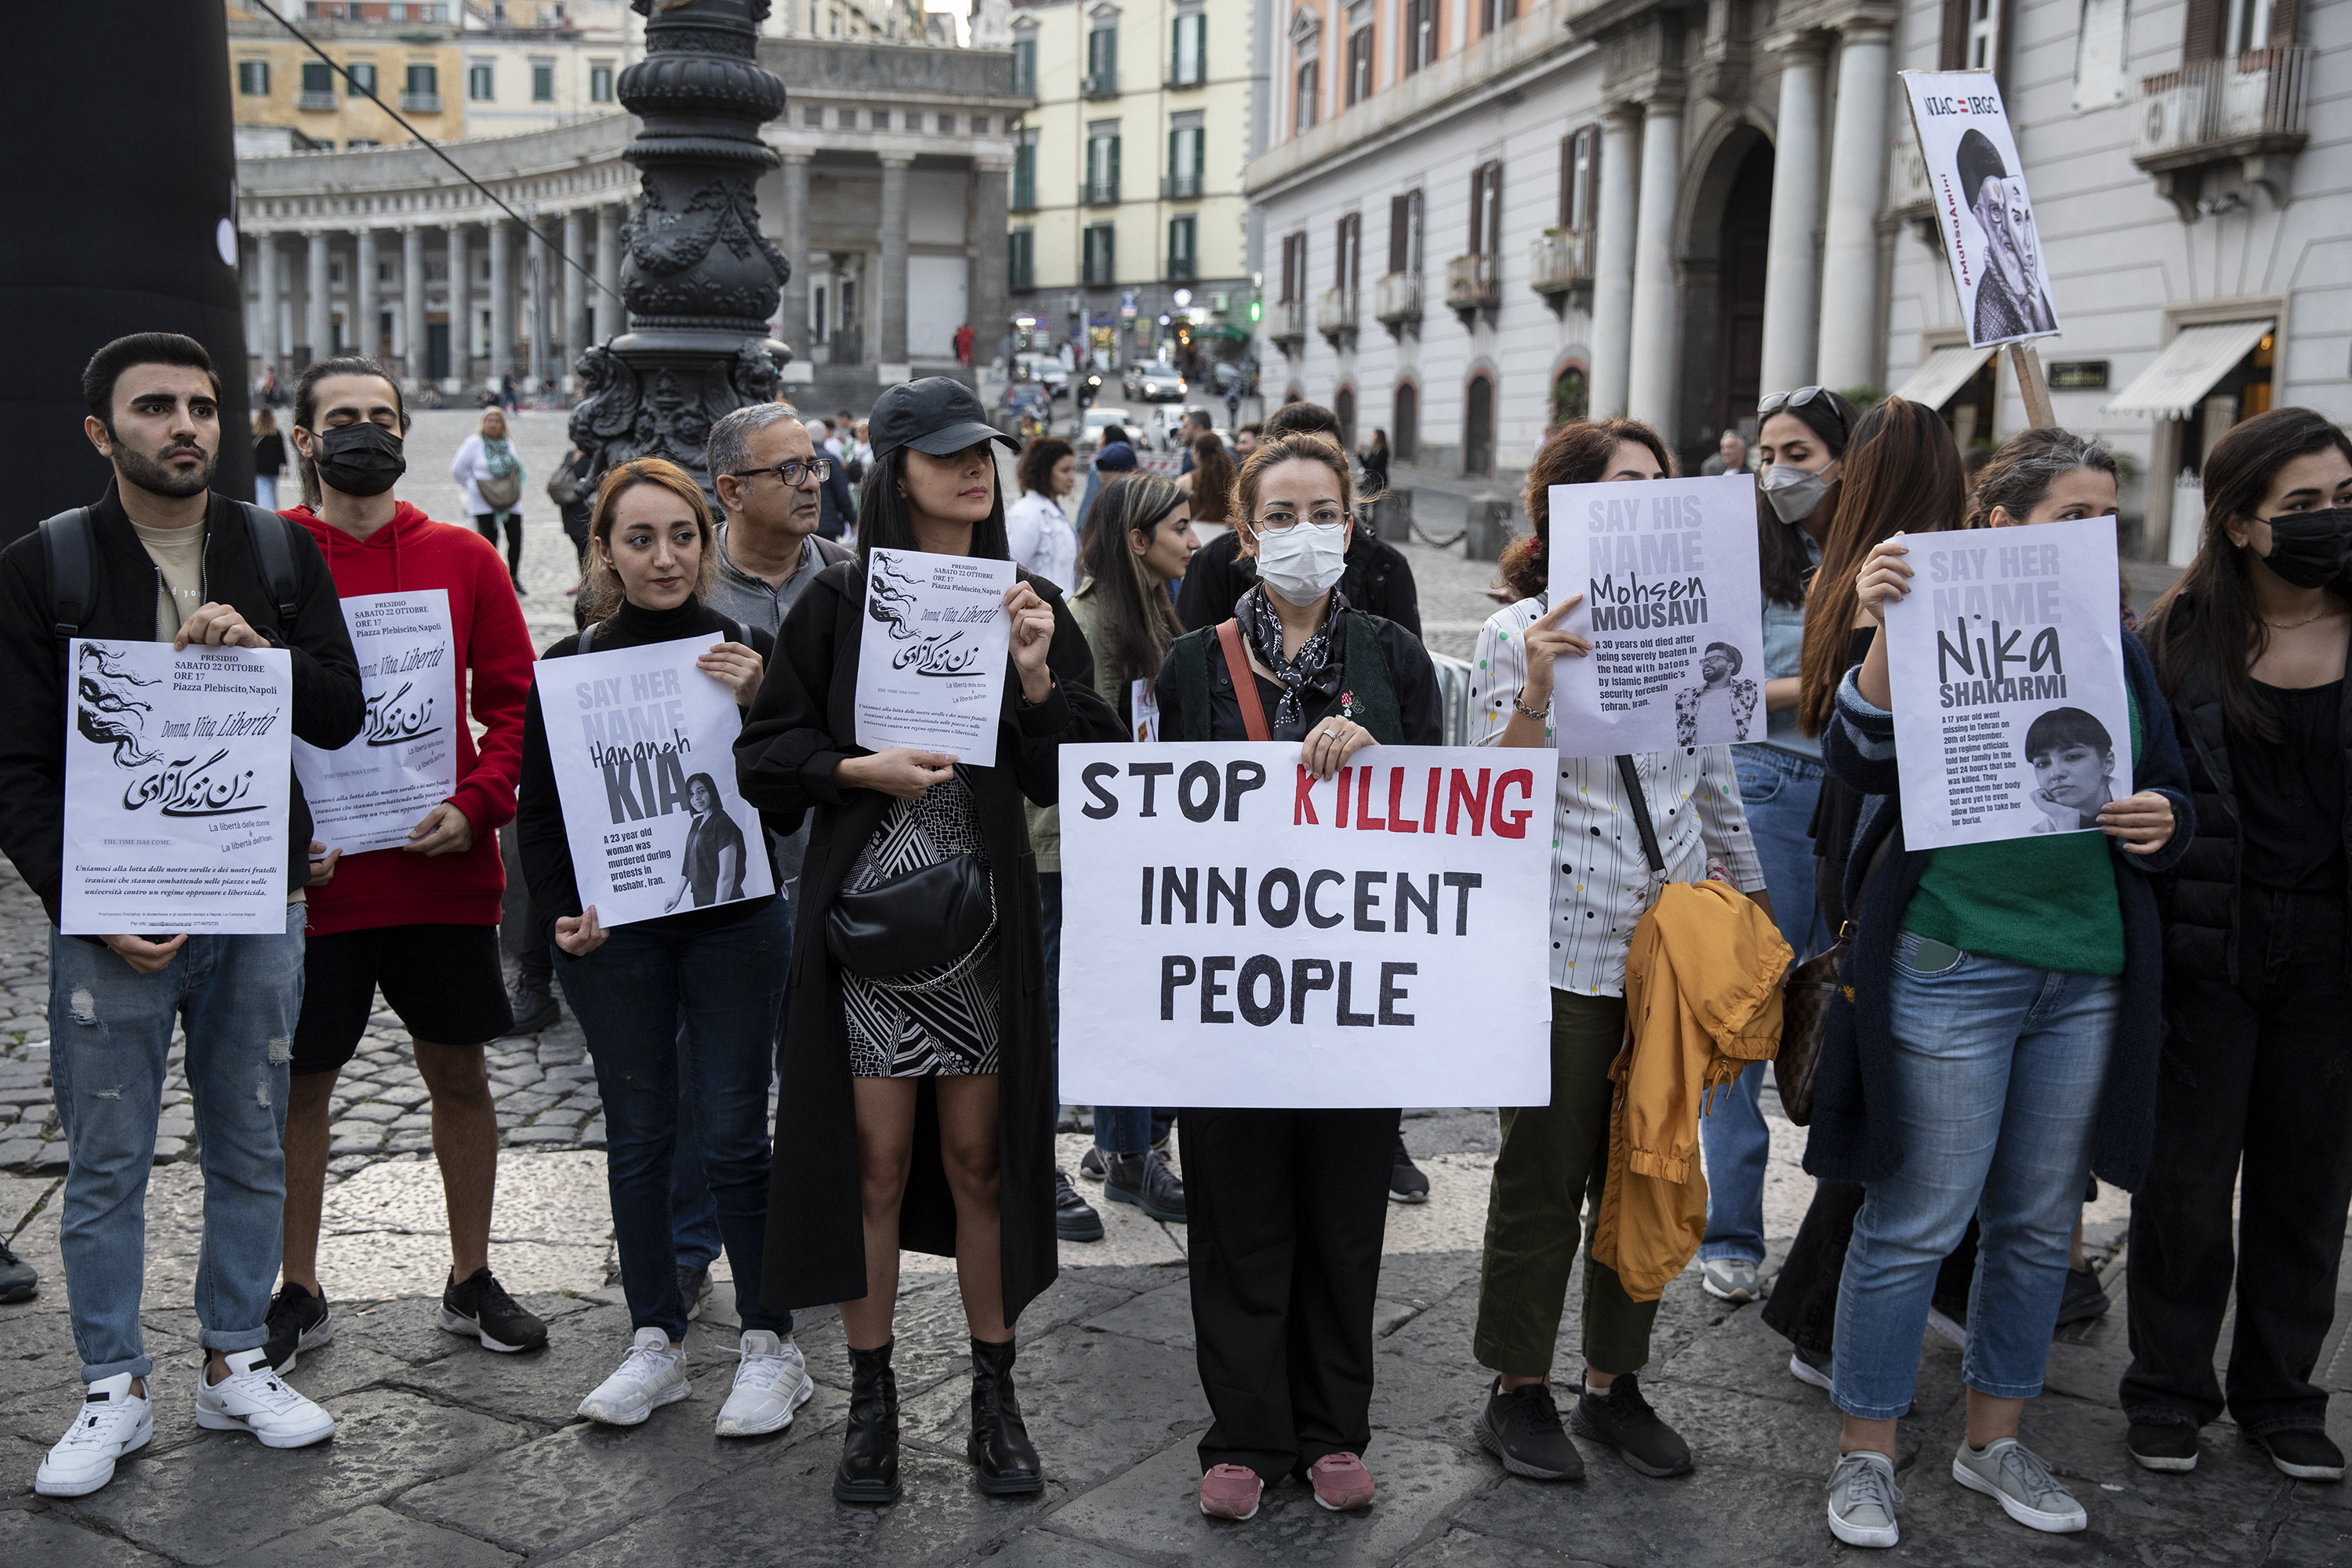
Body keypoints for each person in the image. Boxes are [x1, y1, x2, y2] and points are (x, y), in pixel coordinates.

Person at [737, 377, 1123, 1506]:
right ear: (896, 467)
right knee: (874, 1165)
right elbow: (767, 760)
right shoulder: (840, 601)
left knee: (983, 1164)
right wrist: (864, 769)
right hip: (868, 933)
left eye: (983, 454)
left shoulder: (1028, 599)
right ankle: (872, 1400)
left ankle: (995, 1400)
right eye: (947, 453)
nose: (973, 470)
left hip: (984, 931)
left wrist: (1041, 671)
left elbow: (1080, 768)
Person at [1816, 399, 2191, 1549]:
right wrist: (1883, 625)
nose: (2097, 541)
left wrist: (2161, 815)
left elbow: (2180, 791)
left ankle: (1995, 1441)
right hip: (1954, 960)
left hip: (2085, 973)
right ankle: (1866, 1454)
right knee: (1918, 1212)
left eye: (2109, 522)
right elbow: (1859, 764)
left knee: (2035, 1224)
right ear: (1999, 522)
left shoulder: (2118, 644)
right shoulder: (1926, 609)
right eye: (2073, 517)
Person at [1, 333, 363, 1497]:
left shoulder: (275, 552)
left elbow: (345, 711)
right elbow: (13, 768)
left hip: (256, 898)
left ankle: (234, 1360)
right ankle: (113, 1383)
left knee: (251, 1140)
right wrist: (87, 904)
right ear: (105, 433)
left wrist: (263, 654)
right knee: (106, 1159)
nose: (186, 426)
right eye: (155, 408)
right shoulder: (43, 566)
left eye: (203, 406)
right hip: (110, 915)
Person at [1464, 417, 1768, 1490]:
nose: (1650, 501)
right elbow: (1481, 796)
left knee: (1649, 1168)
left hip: (1670, 947)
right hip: (1558, 947)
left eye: (1661, 483)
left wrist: (1752, 902)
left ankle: (1612, 1382)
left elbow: (1714, 774)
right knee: (1544, 1175)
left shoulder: (1697, 621)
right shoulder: (1512, 634)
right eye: (1624, 485)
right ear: (1568, 509)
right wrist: (1539, 695)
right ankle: (1517, 1390)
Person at [1149, 430, 1443, 1523]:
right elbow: (1156, 829)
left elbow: (1447, 825)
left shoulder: (1398, 659)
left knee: (1341, 1214)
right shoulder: (1192, 665)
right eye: (1283, 514)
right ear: (1246, 530)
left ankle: (1331, 1432)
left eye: (1325, 511)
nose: (1305, 531)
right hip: (1231, 991)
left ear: (1351, 526)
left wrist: (1388, 766)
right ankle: (1243, 1434)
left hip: (1354, 992)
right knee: (1236, 1209)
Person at [266, 354, 543, 1374]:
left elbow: (513, 705)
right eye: (342, 417)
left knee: (460, 1074)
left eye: (382, 415)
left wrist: (480, 808)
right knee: (302, 1087)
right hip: (318, 881)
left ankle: (471, 1275)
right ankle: (297, 1287)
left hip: (442, 875)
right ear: (303, 439)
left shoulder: (467, 560)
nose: (364, 431)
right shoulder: (263, 559)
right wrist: (275, 835)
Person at [518, 457, 806, 1436]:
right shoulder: (567, 665)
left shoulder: (747, 644)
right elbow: (544, 813)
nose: (666, 556)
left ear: (706, 537)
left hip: (734, 924)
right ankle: (656, 1338)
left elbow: (793, 793)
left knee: (733, 1132)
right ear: (605, 551)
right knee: (639, 1136)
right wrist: (559, 913)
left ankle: (773, 1343)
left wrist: (767, 696)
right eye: (640, 538)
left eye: (682, 534)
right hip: (621, 936)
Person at [2126, 407, 2352, 1482]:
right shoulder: (2172, 643)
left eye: (2345, 500)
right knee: (2183, 1186)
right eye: (2301, 506)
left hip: (2335, 957)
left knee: (2310, 1188)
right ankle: (2168, 1391)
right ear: (2240, 524)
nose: (2328, 522)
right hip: (2206, 949)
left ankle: (2282, 1397)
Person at [1696, 386, 1853, 1309]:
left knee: (1845, 1004)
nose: (1779, 469)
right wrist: (1822, 685)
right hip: (1767, 784)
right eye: (1767, 452)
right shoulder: (1748, 551)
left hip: (1857, 795)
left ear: (1843, 457)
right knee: (1748, 1009)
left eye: (1798, 450)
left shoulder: (1875, 551)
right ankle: (1734, 1233)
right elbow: (1722, 686)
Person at [1061, 474, 1197, 1221]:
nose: (1194, 539)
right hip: (1089, 853)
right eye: (1179, 527)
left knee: (1147, 993)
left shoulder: (1155, 611)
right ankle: (1126, 1155)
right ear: (1136, 541)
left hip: (1143, 845)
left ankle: (1133, 1141)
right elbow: (1094, 748)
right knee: (1113, 1000)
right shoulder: (1092, 621)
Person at [1177, 403, 1422, 644]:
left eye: (1325, 455)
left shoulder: (1386, 568)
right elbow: (1193, 664)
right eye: (1281, 516)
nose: (1309, 471)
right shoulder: (1215, 566)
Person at [1956, 129, 2057, 343]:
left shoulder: (2033, 286)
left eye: (2008, 211)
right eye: (1995, 210)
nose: (2007, 226)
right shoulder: (1990, 300)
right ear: (1980, 216)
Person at [451, 407, 526, 593]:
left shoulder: (507, 443)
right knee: (489, 542)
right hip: (484, 501)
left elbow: (514, 468)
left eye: (497, 421)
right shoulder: (474, 443)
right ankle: (492, 579)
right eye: (490, 421)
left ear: (503, 424)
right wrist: (473, 486)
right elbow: (457, 469)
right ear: (483, 423)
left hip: (509, 500)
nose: (493, 425)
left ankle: (513, 577)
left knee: (515, 538)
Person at [2023, 710, 2119, 832]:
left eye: (2072, 757)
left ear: (2107, 763)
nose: (2056, 774)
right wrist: (2065, 822)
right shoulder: (2037, 835)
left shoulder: (2140, 800)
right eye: (2043, 763)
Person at [1006, 437, 1078, 590]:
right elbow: (1010, 573)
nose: (1072, 478)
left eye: (1073, 470)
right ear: (1045, 471)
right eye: (1065, 470)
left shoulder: (1054, 510)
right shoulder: (1027, 514)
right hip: (1040, 610)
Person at [1674, 641, 1759, 743]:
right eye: (1704, 660)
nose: (1706, 663)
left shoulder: (1749, 690)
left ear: (1730, 666)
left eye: (1713, 659)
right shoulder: (1685, 696)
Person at [553, 441, 597, 592]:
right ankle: (584, 580)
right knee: (577, 543)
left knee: (586, 546)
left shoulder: (593, 456)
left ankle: (589, 582)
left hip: (585, 507)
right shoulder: (570, 455)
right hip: (570, 506)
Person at [805, 418, 858, 541]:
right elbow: (842, 492)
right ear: (825, 436)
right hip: (828, 523)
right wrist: (852, 519)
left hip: (804, 523)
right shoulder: (829, 460)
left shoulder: (798, 461)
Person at [1078, 438, 1138, 539]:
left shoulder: (1148, 503)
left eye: (1114, 485)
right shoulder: (1104, 504)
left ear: (1133, 473)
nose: (1108, 491)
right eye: (1103, 485)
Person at [1182, 432, 1237, 527]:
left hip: (1196, 535)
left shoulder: (1186, 481)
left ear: (1198, 453)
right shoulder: (1232, 478)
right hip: (1224, 535)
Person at [252, 407, 285, 510]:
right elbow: (282, 451)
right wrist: (285, 465)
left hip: (259, 467)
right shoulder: (276, 433)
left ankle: (267, 513)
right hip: (274, 468)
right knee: (273, 492)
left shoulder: (254, 433)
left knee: (263, 492)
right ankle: (275, 512)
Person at [1175, 408, 1214, 474]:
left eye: (1185, 427)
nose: (1180, 432)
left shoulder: (1194, 455)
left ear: (1199, 430)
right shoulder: (1223, 455)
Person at [1358, 428, 1390, 492]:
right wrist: (1360, 454)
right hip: (1371, 480)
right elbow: (1366, 465)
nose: (1371, 437)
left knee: (1366, 499)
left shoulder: (1382, 451)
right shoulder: (1374, 450)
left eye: (1373, 435)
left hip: (1378, 481)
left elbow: (1371, 466)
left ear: (1379, 437)